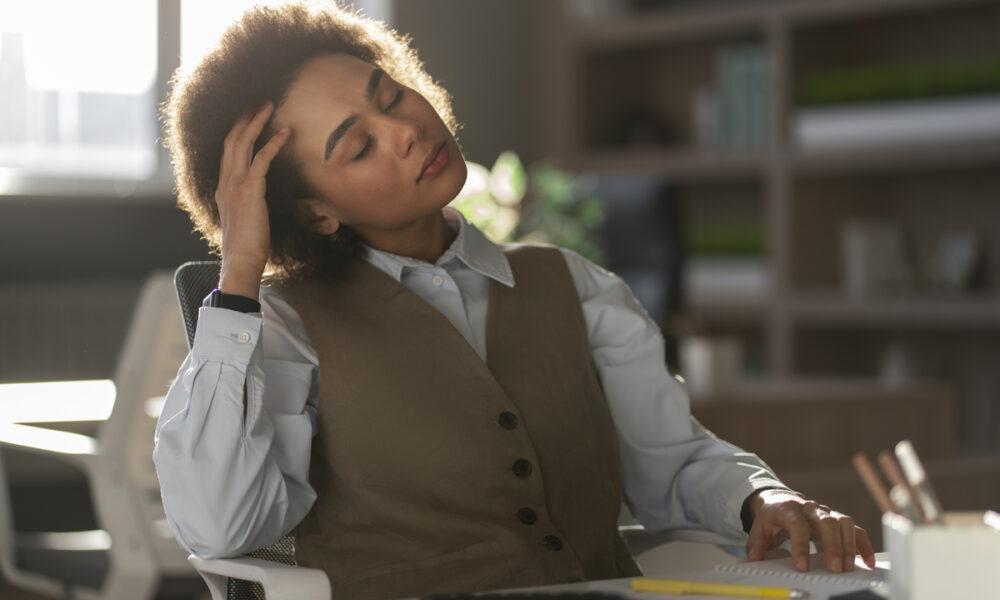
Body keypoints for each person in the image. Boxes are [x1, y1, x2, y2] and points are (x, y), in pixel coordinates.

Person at [153, 2, 875, 599]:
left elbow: (673, 463)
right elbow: (222, 529)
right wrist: (241, 270)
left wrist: (763, 498)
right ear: (315, 212)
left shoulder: (576, 287)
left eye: (390, 95)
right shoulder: (284, 327)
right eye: (360, 147)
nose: (407, 132)